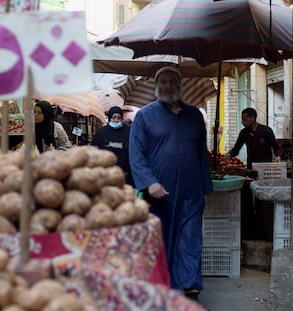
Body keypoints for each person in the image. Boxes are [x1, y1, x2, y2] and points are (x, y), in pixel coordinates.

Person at [129, 66, 213, 300]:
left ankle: (189, 290)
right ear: (156, 86)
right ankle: (162, 288)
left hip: (191, 191)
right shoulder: (144, 116)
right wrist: (148, 183)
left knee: (190, 238)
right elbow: (136, 154)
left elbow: (201, 154)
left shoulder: (195, 115)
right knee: (161, 240)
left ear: (179, 85)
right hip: (159, 193)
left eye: (172, 82)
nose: (168, 86)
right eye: (163, 82)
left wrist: (205, 186)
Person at [91, 106, 134, 186]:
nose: (116, 120)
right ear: (110, 118)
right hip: (105, 172)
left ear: (122, 119)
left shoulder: (128, 131)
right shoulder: (102, 132)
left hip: (124, 173)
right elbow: (93, 149)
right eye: (113, 117)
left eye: (119, 118)